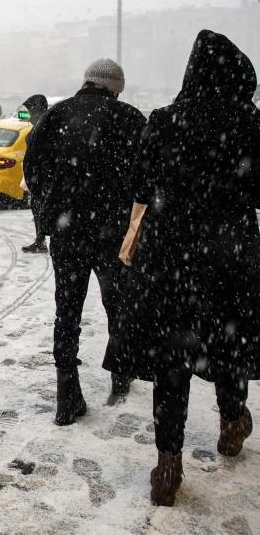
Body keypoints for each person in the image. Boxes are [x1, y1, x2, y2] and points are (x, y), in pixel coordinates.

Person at [104, 30, 259, 506]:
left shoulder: (166, 121)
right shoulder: (251, 125)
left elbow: (141, 183)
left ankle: (168, 461)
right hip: (230, 257)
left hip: (170, 258)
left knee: (173, 357)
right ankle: (233, 419)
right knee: (226, 342)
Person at [23, 58, 146, 426]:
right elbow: (148, 174)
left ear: (86, 82)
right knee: (118, 304)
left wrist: (49, 205)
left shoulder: (57, 115)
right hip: (112, 234)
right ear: (114, 86)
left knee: (67, 310)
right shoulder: (129, 118)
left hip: (67, 230)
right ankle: (120, 373)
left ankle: (67, 392)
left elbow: (32, 166)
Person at [20, 93, 49, 254]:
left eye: (31, 110)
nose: (29, 114)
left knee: (40, 208)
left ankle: (41, 240)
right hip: (37, 175)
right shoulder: (40, 123)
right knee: (37, 207)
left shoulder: (42, 125)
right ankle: (40, 240)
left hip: (41, 176)